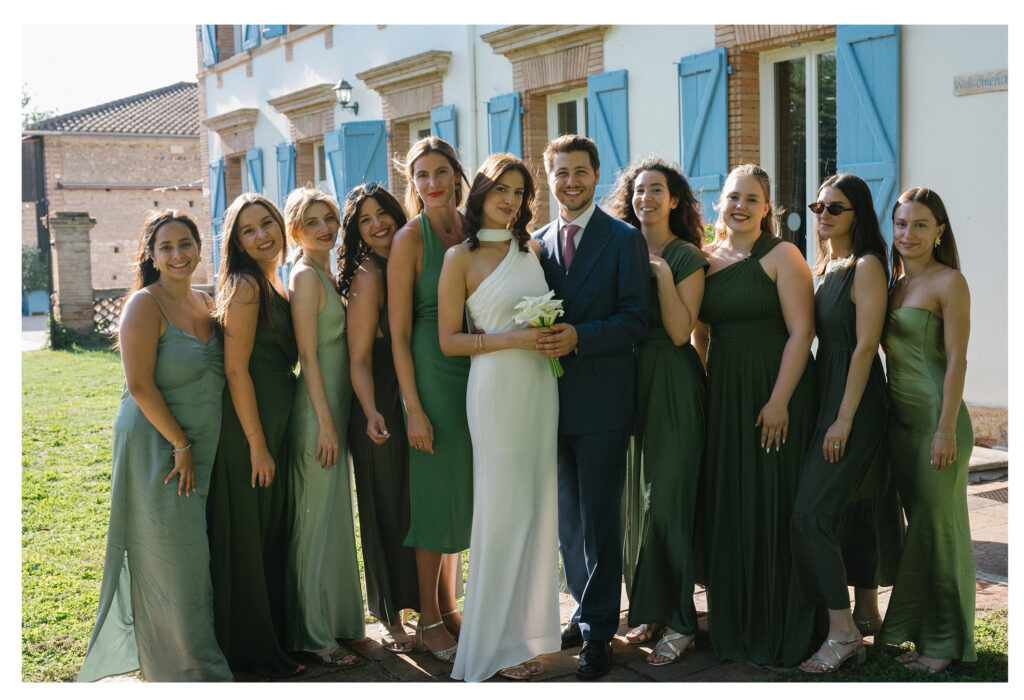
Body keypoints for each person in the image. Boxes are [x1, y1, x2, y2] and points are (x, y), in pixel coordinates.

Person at [78, 211, 232, 682]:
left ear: (200, 248)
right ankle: (190, 671)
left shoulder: (208, 302)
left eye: (185, 243)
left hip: (200, 444)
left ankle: (180, 656)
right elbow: (140, 385)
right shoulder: (144, 305)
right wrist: (180, 443)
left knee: (189, 551)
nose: (178, 254)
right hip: (158, 443)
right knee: (174, 556)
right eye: (166, 247)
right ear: (151, 254)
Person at [438, 154, 561, 681]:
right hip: (495, 390)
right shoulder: (458, 259)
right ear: (482, 193)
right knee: (503, 508)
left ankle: (524, 637)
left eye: (518, 191)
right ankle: (493, 645)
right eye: (500, 190)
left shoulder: (528, 248)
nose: (510, 200)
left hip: (539, 386)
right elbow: (448, 340)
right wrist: (511, 338)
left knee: (534, 507)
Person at [533, 134, 649, 679]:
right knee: (568, 520)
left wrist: (580, 335)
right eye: (561, 172)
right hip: (546, 401)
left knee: (602, 520)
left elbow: (635, 320)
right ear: (549, 177)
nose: (571, 181)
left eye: (580, 171)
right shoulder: (534, 243)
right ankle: (583, 611)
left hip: (603, 399)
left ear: (596, 175)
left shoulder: (624, 239)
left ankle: (600, 632)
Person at [693, 164, 816, 667]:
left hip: (775, 391)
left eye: (750, 198)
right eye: (731, 197)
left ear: (768, 208)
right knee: (732, 499)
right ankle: (734, 623)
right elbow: (700, 333)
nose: (739, 206)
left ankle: (780, 624)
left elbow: (801, 331)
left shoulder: (783, 255)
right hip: (725, 395)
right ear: (718, 203)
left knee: (774, 498)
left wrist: (780, 400)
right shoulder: (704, 259)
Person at [606, 157, 708, 666]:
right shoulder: (618, 247)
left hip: (670, 379)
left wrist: (662, 274)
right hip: (627, 382)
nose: (646, 198)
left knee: (667, 505)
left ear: (674, 200)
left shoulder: (686, 255)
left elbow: (677, 330)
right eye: (638, 190)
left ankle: (685, 621)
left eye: (656, 190)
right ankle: (649, 608)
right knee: (636, 511)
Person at [789, 174, 890, 673]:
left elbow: (866, 346)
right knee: (854, 507)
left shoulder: (868, 266)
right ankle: (867, 613)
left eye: (835, 208)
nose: (823, 216)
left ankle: (843, 631)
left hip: (855, 401)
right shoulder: (827, 264)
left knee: (810, 514)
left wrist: (844, 418)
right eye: (818, 207)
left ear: (859, 214)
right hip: (826, 394)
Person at [206, 193, 303, 678]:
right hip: (249, 431)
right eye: (250, 230)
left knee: (269, 534)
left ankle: (276, 641)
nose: (263, 234)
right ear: (237, 242)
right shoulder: (246, 286)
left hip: (275, 423)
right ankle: (253, 655)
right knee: (248, 537)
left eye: (268, 223)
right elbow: (236, 370)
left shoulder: (275, 280)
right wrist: (257, 445)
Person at [879, 187, 975, 674]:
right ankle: (924, 630)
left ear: (939, 230)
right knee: (921, 530)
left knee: (939, 530)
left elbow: (957, 359)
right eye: (900, 224)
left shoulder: (948, 282)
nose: (908, 234)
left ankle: (942, 643)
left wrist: (944, 431)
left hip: (940, 423)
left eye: (920, 225)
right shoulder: (891, 285)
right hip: (902, 426)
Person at [387, 137, 472, 662]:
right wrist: (413, 407)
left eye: (441, 171)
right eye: (422, 175)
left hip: (474, 370)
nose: (433, 182)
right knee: (435, 496)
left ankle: (447, 602)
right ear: (412, 182)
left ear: (457, 175)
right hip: (430, 376)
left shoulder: (472, 229)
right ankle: (428, 620)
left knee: (459, 494)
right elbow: (396, 333)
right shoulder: (409, 240)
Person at [282, 187, 364, 665]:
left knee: (333, 522)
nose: (325, 228)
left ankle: (337, 623)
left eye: (330, 218)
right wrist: (327, 425)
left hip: (335, 410)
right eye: (312, 222)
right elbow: (308, 356)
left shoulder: (327, 272)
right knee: (312, 526)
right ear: (296, 230)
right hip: (316, 415)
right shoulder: (305, 277)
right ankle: (313, 636)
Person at [340, 183, 420, 653]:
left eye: (382, 213)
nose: (377, 224)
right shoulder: (369, 275)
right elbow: (359, 358)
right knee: (386, 504)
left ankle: (426, 604)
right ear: (358, 232)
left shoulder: (412, 257)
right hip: (380, 397)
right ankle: (393, 617)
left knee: (413, 503)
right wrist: (370, 410)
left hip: (413, 390)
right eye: (365, 219)